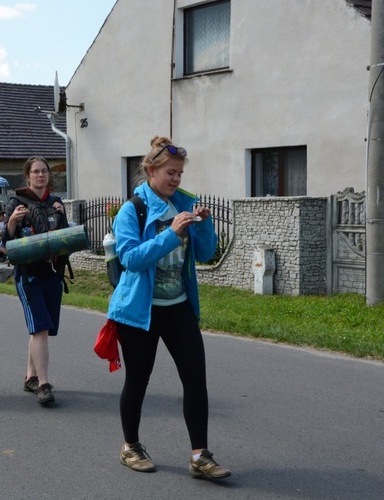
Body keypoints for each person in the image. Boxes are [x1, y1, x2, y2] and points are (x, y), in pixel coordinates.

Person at [108, 136, 230, 479]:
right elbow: (130, 258)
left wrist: (203, 223)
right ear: (151, 170)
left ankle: (200, 456)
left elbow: (205, 254)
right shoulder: (133, 209)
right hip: (140, 311)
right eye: (170, 173)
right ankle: (130, 446)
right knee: (138, 380)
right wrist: (171, 235)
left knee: (195, 380)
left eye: (179, 174)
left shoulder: (185, 205)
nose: (176, 179)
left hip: (178, 307)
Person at [2, 156, 68, 406]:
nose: (40, 175)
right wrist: (11, 222)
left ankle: (30, 376)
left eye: (44, 171)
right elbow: (6, 243)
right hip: (29, 275)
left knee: (44, 328)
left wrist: (62, 218)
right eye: (35, 172)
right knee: (39, 328)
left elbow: (63, 238)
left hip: (53, 273)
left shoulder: (56, 203)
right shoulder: (16, 202)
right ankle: (43, 384)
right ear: (27, 176)